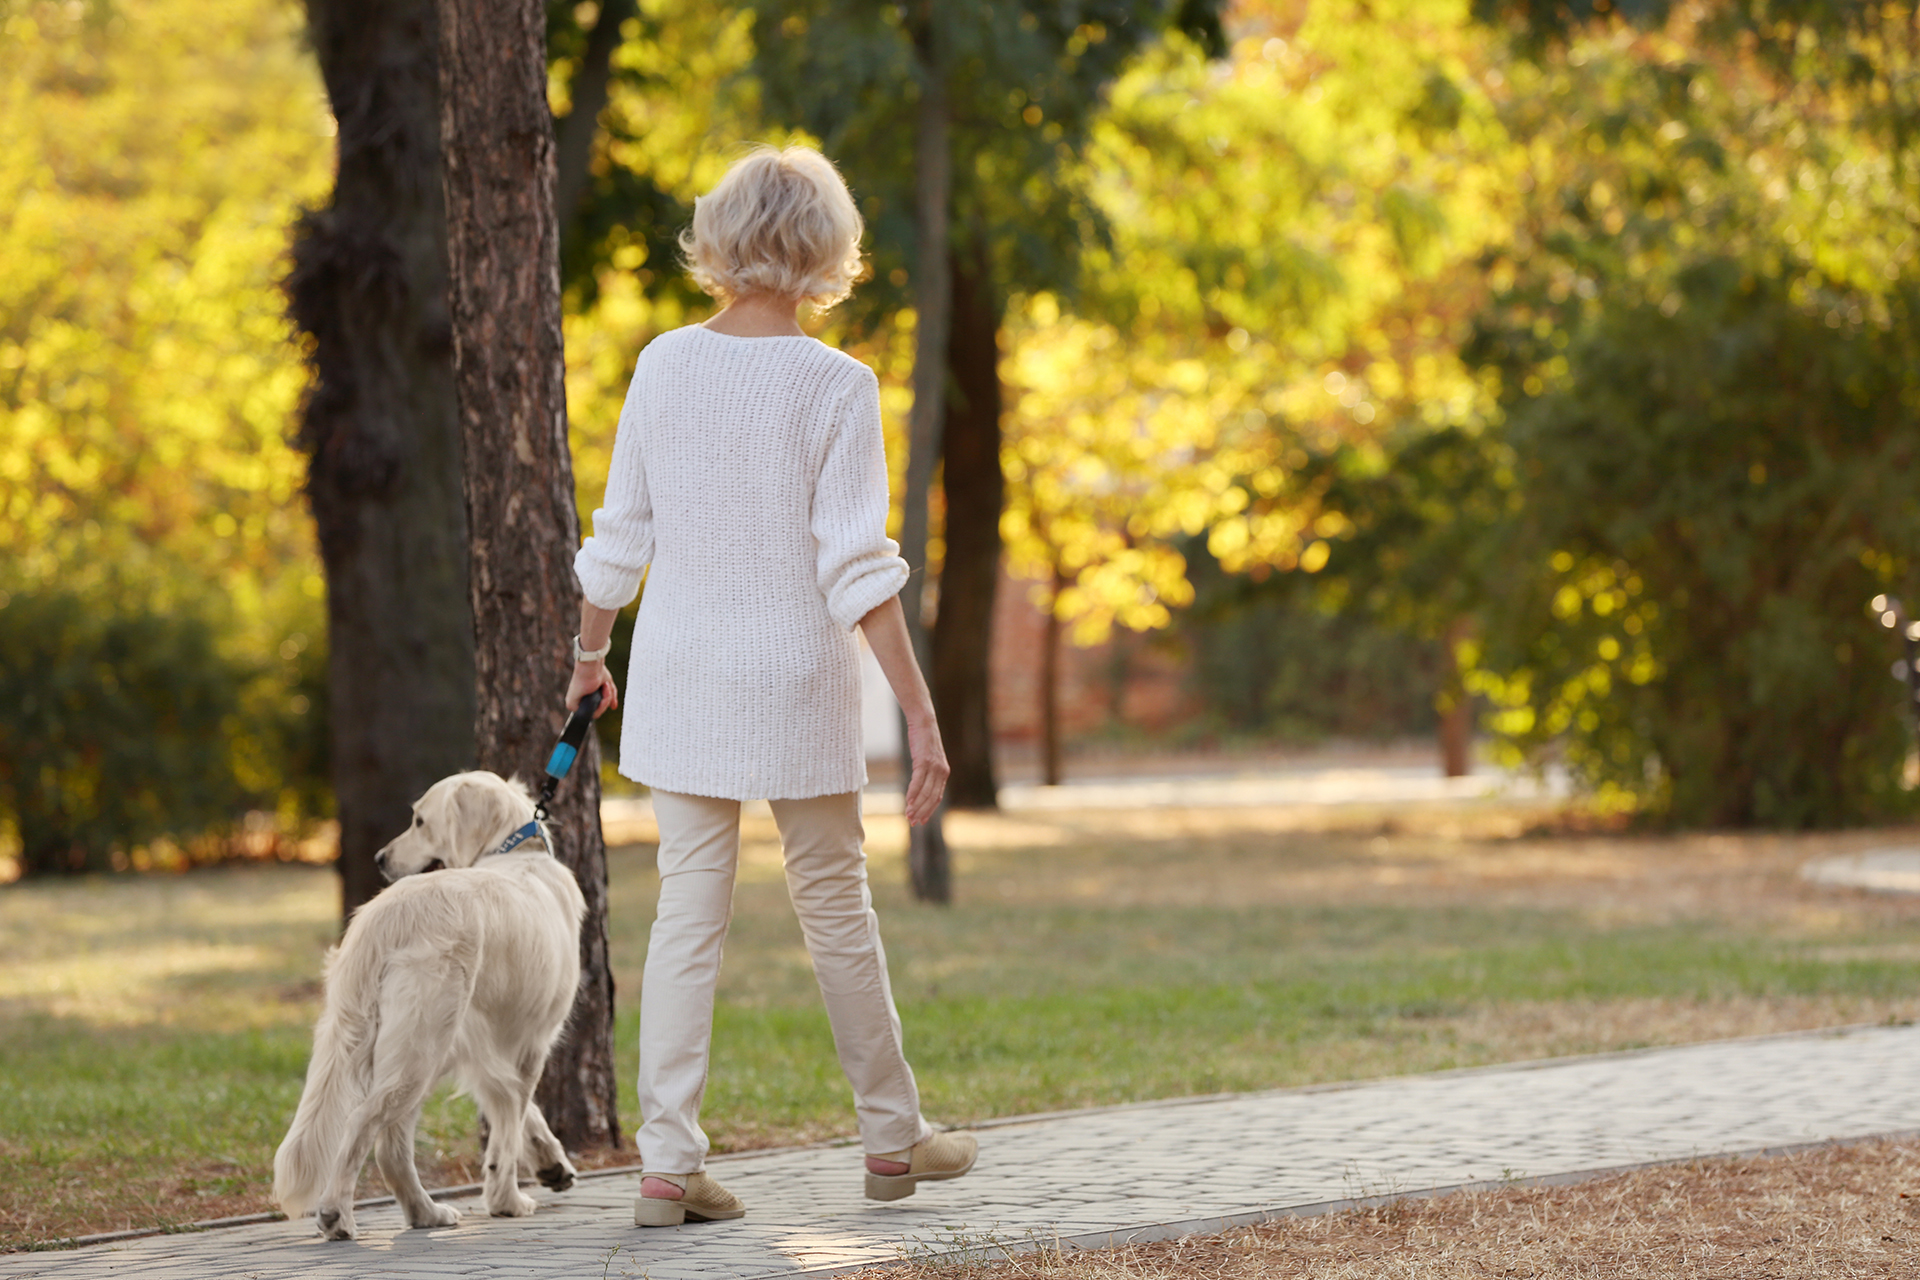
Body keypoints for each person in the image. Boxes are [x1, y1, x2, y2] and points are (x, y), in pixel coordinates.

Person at [566, 144, 977, 1229]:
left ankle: (665, 1165)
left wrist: (588, 658)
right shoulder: (838, 385)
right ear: (827, 249)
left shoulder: (662, 363)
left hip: (682, 674)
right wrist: (923, 714)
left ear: (722, 234)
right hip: (797, 674)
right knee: (836, 906)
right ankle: (891, 1139)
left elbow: (620, 538)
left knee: (686, 916)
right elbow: (858, 569)